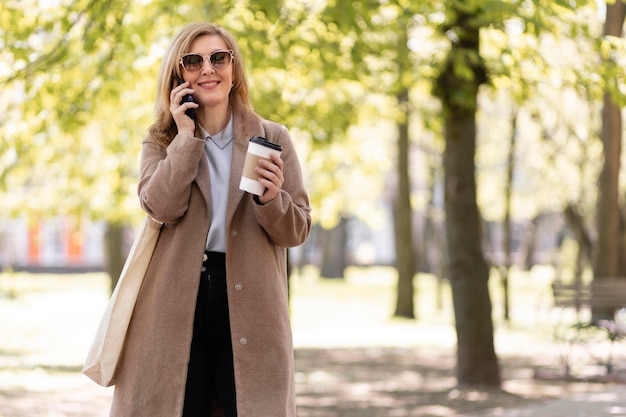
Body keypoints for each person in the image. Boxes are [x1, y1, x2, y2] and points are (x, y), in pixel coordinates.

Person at [109, 22, 311, 417]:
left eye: (219, 58)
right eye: (193, 61)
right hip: (174, 304)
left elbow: (297, 229)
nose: (208, 69)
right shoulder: (161, 140)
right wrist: (186, 139)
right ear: (178, 76)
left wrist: (272, 200)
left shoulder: (273, 137)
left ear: (233, 69)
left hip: (252, 302)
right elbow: (160, 208)